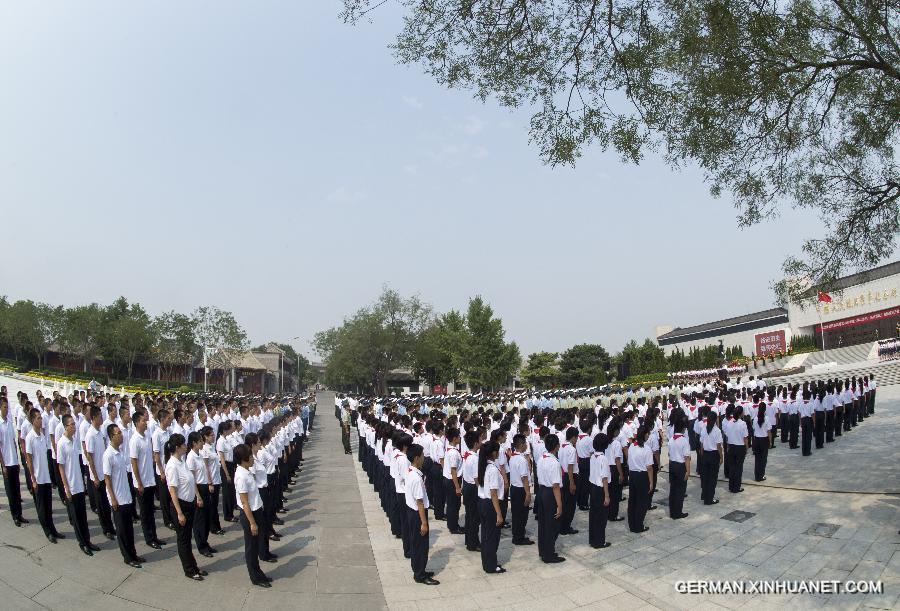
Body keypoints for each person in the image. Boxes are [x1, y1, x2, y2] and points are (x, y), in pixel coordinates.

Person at [56, 414, 98, 556]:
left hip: (79, 484)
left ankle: (88, 541)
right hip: (71, 488)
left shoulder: (74, 440)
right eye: (72, 424)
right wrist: (66, 488)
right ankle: (83, 543)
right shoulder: (61, 443)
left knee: (83, 517)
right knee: (77, 518)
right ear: (65, 427)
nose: (74, 426)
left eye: (74, 424)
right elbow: (61, 467)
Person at [104, 424, 143, 568]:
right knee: (122, 531)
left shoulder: (119, 452)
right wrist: (112, 498)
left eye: (121, 432)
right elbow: (107, 478)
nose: (121, 435)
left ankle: (133, 554)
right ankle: (128, 557)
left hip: (126, 496)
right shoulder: (108, 455)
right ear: (111, 436)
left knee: (129, 529)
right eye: (118, 433)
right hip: (118, 500)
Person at [233, 442, 271, 588]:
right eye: (250, 456)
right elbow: (244, 502)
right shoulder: (241, 476)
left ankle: (258, 572)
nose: (253, 458)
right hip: (250, 514)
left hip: (256, 510)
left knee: (255, 545)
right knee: (251, 547)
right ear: (244, 459)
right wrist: (252, 523)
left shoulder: (246, 471)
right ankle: (255, 577)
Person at [25, 408, 64, 543]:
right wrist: (33, 479)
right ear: (32, 420)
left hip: (46, 477)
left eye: (41, 418)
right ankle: (47, 531)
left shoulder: (42, 436)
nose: (41, 420)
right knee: (42, 508)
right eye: (38, 418)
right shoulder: (30, 437)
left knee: (48, 507)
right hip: (38, 478)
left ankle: (53, 529)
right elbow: (29, 460)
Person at [405, 443, 439, 585]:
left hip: (412, 512)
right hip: (418, 514)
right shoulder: (416, 478)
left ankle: (419, 569)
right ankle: (420, 574)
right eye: (423, 455)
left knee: (416, 543)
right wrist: (424, 523)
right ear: (417, 458)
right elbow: (420, 502)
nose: (425, 458)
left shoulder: (412, 472)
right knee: (421, 545)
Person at [129, 411, 163, 549]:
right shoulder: (134, 440)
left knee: (150, 511)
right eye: (143, 421)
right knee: (145, 512)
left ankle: (154, 536)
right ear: (137, 423)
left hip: (150, 479)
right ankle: (149, 538)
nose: (146, 423)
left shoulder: (146, 436)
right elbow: (134, 463)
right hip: (141, 482)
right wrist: (139, 482)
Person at [477, 440, 505, 574]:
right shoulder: (492, 469)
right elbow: (494, 493)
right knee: (492, 537)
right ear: (493, 453)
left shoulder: (485, 466)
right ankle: (491, 565)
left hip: (483, 502)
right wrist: (499, 513)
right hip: (490, 504)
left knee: (486, 535)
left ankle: (487, 562)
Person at [185, 431, 215, 559]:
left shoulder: (200, 454)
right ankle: (201, 545)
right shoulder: (191, 457)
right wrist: (198, 496)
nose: (202, 443)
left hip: (204, 487)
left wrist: (209, 483)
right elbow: (192, 479)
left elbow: (206, 469)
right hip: (198, 489)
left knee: (207, 518)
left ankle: (205, 542)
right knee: (200, 520)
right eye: (200, 441)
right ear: (194, 443)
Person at [536, 433, 564, 563]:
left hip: (541, 492)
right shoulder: (554, 462)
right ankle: (549, 554)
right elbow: (556, 486)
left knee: (543, 524)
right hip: (550, 494)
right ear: (557, 446)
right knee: (552, 525)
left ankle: (543, 550)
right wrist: (559, 505)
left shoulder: (541, 458)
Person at [0, 396, 25, 527]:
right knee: (10, 492)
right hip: (7, 464)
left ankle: (20, 514)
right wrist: (3, 466)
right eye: (4, 407)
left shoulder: (9, 422)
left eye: (7, 407)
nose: (6, 409)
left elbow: (14, 442)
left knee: (17, 490)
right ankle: (15, 515)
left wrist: (17, 457)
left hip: (14, 462)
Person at [507, 433, 534, 545]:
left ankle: (518, 534)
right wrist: (528, 493)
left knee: (516, 514)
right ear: (522, 445)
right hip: (520, 489)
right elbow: (524, 478)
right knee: (521, 515)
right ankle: (519, 537)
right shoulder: (521, 460)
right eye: (525, 444)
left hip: (514, 488)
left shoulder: (513, 457)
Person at [626, 424, 653, 533]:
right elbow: (649, 467)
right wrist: (651, 482)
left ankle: (632, 524)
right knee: (641, 502)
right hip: (642, 476)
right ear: (645, 434)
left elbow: (629, 460)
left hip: (632, 475)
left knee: (632, 500)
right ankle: (638, 525)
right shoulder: (646, 449)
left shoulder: (632, 446)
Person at [588, 433, 611, 548]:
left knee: (593, 515)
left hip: (593, 488)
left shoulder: (593, 456)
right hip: (601, 489)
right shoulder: (604, 459)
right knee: (601, 517)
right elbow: (605, 478)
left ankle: (593, 539)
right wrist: (607, 495)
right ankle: (599, 541)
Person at [442, 427, 465, 535]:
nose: (460, 438)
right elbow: (453, 471)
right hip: (453, 481)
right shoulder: (453, 453)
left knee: (453, 504)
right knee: (453, 505)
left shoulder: (451, 449)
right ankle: (453, 527)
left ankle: (453, 524)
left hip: (450, 479)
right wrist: (457, 487)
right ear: (455, 438)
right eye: (458, 437)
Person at [461, 430, 481, 552]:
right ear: (475, 443)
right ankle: (473, 543)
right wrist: (482, 492)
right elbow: (476, 478)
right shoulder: (474, 458)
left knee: (470, 516)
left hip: (468, 486)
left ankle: (469, 539)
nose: (481, 442)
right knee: (474, 517)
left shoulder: (468, 455)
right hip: (473, 488)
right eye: (479, 440)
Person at [667, 413, 690, 519]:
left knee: (673, 489)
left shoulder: (671, 440)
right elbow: (686, 458)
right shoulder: (684, 441)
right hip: (680, 467)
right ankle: (678, 512)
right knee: (680, 491)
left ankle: (672, 511)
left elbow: (669, 454)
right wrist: (688, 471)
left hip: (672, 465)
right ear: (683, 428)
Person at [558, 426, 579, 535]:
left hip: (563, 475)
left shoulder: (562, 446)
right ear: (574, 437)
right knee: (570, 504)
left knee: (565, 502)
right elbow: (570, 467)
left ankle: (563, 525)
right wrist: (572, 483)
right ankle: (566, 527)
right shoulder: (571, 449)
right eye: (576, 438)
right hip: (570, 476)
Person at [699, 412, 723, 505]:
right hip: (713, 455)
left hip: (705, 454)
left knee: (705, 477)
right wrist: (721, 457)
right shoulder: (717, 431)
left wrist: (702, 453)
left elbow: (701, 443)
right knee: (712, 478)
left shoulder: (704, 429)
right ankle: (709, 499)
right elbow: (718, 446)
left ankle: (704, 495)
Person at [726, 405, 748, 493]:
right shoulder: (742, 423)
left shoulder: (730, 422)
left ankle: (731, 486)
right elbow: (745, 438)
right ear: (740, 414)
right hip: (739, 447)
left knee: (732, 467)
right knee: (738, 468)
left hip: (731, 446)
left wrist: (728, 447)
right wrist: (746, 448)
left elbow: (727, 437)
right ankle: (736, 487)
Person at [752, 403, 771, 482]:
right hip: (764, 439)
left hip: (757, 440)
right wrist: (770, 442)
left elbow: (753, 429)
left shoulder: (755, 418)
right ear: (765, 409)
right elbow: (769, 431)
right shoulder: (766, 418)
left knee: (757, 458)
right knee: (763, 459)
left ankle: (757, 475)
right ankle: (761, 475)